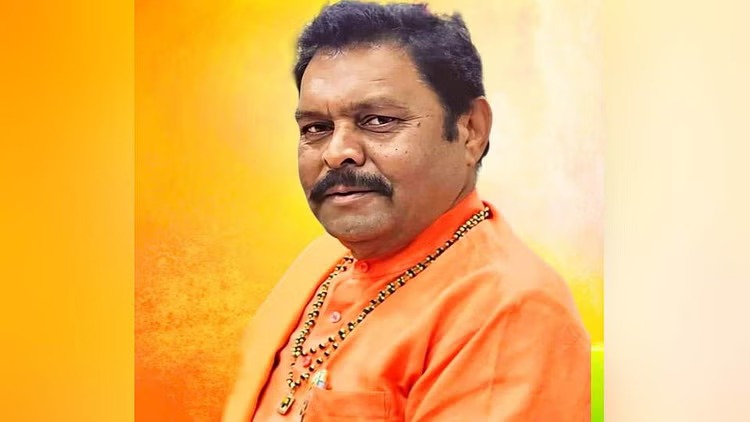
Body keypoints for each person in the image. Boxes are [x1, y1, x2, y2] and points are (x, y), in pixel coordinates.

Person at [223, 1, 590, 421]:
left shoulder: (511, 309)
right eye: (316, 128)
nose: (337, 152)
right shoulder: (320, 260)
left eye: (377, 120)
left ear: (471, 131)